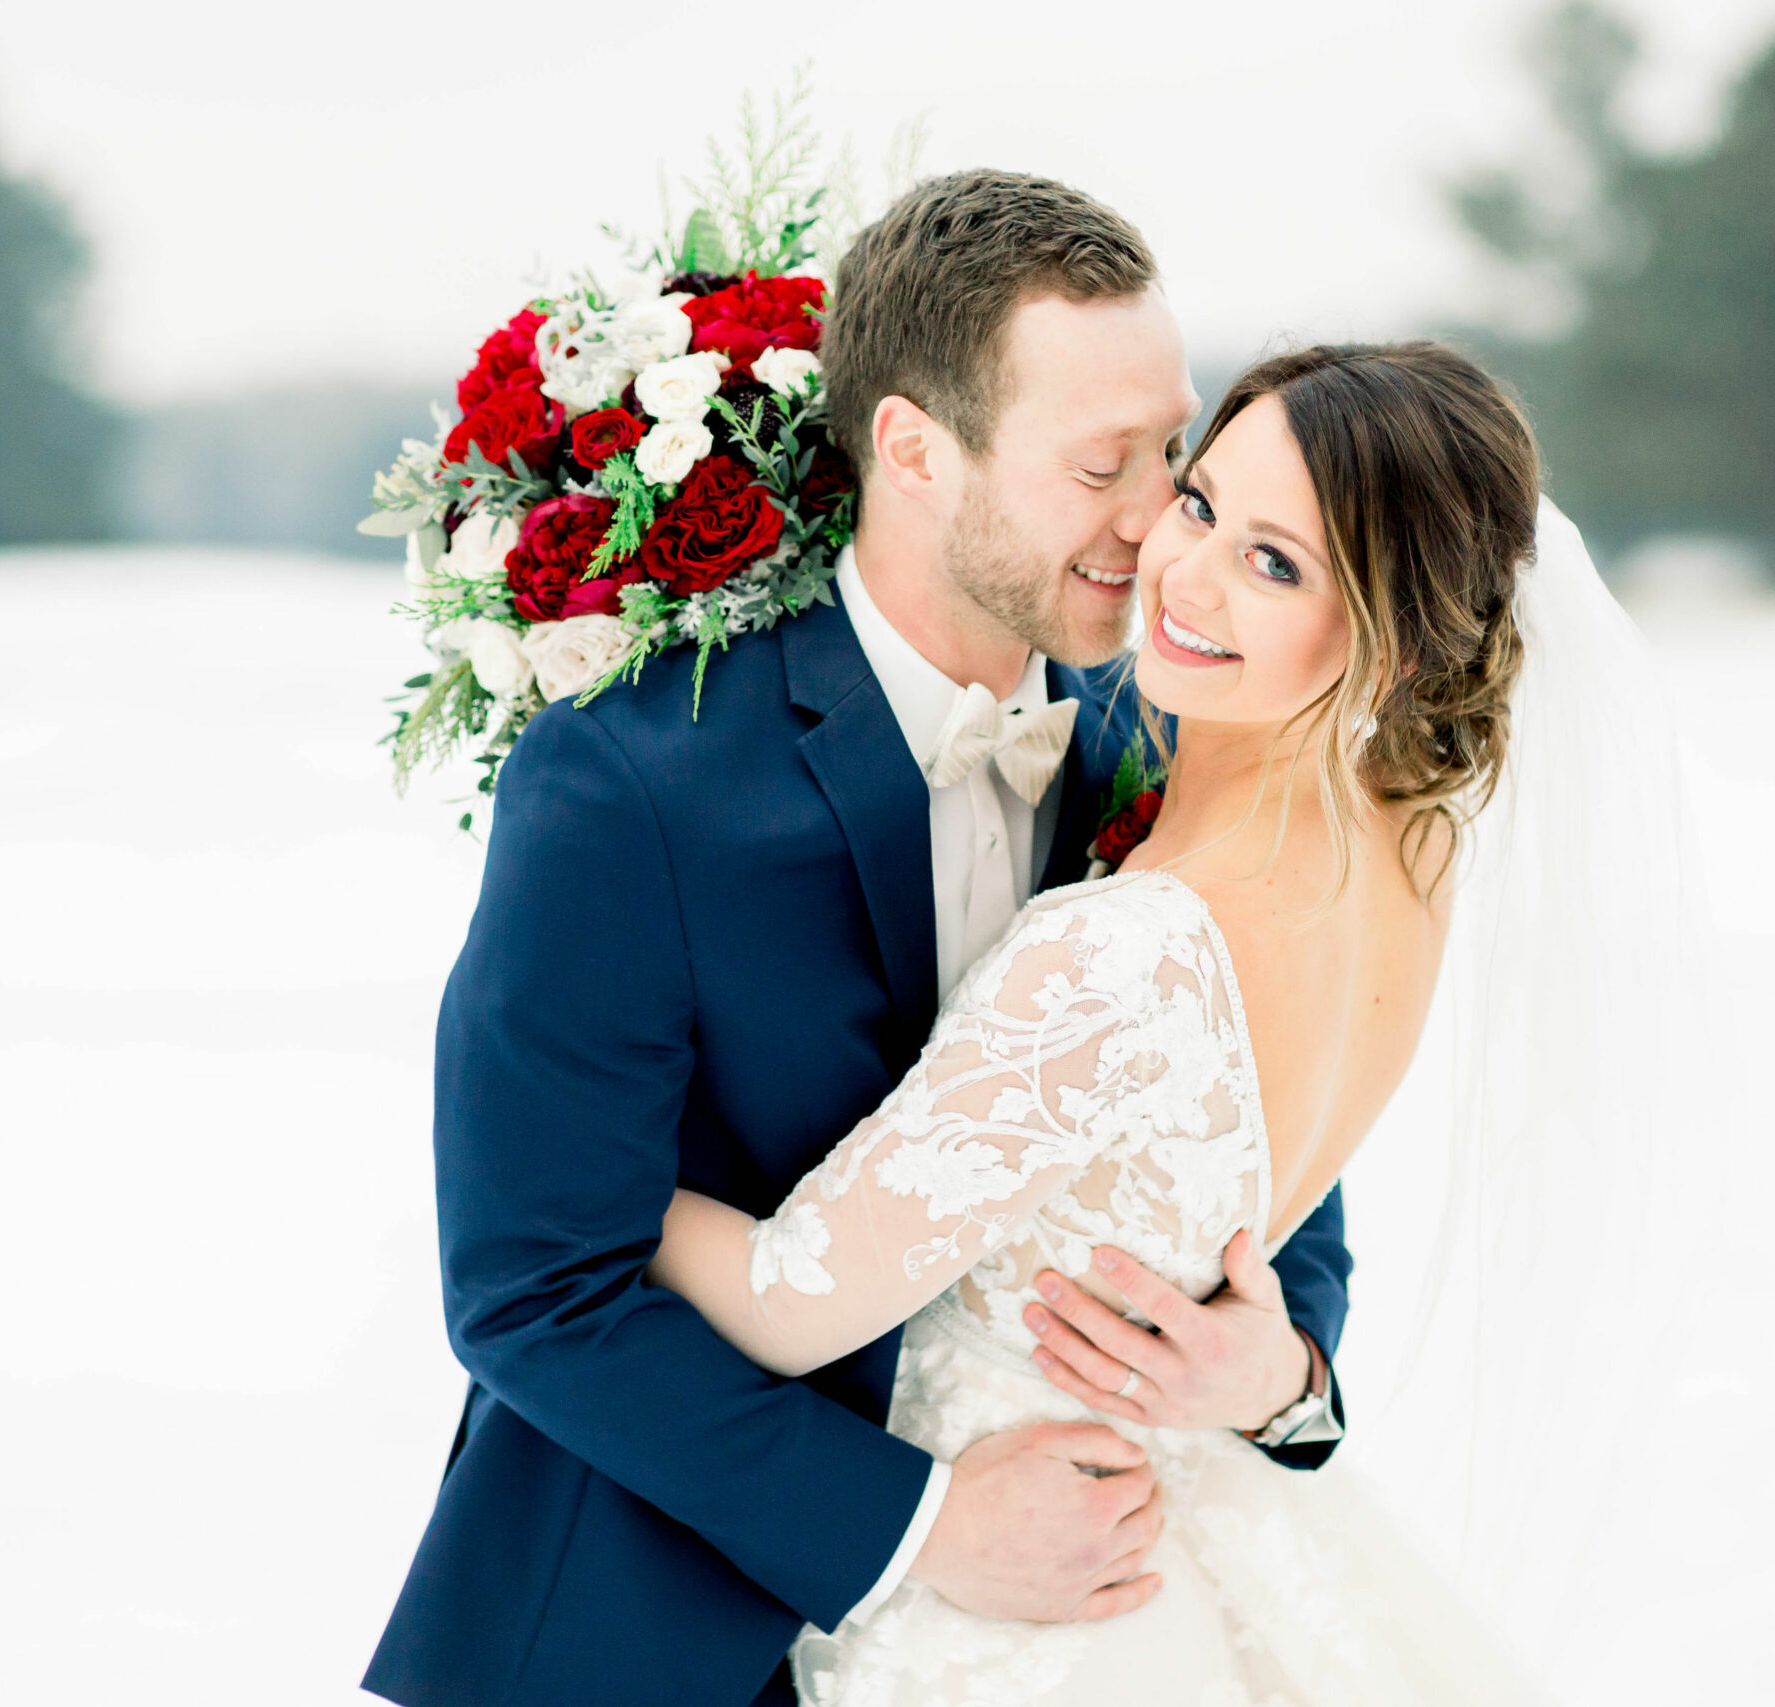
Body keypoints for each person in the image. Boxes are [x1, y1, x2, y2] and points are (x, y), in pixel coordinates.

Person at [361, 172, 1358, 1707]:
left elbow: (1274, 1187)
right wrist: (920, 1525)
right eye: (1102, 465)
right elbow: (531, 1284)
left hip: (1081, 1635)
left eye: (1176, 450)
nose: (1161, 521)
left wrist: (1283, 1380)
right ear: (911, 450)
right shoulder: (630, 778)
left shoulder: (1169, 749)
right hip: (653, 1634)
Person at [646, 338, 1568, 1703]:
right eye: (1199, 504)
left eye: (1279, 565)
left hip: (1015, 1597)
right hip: (1181, 1534)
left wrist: (583, 1180)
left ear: (1397, 640)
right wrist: (1278, 1382)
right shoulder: (1410, 851)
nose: (1183, 572)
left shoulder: (1126, 951)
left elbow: (790, 1305)